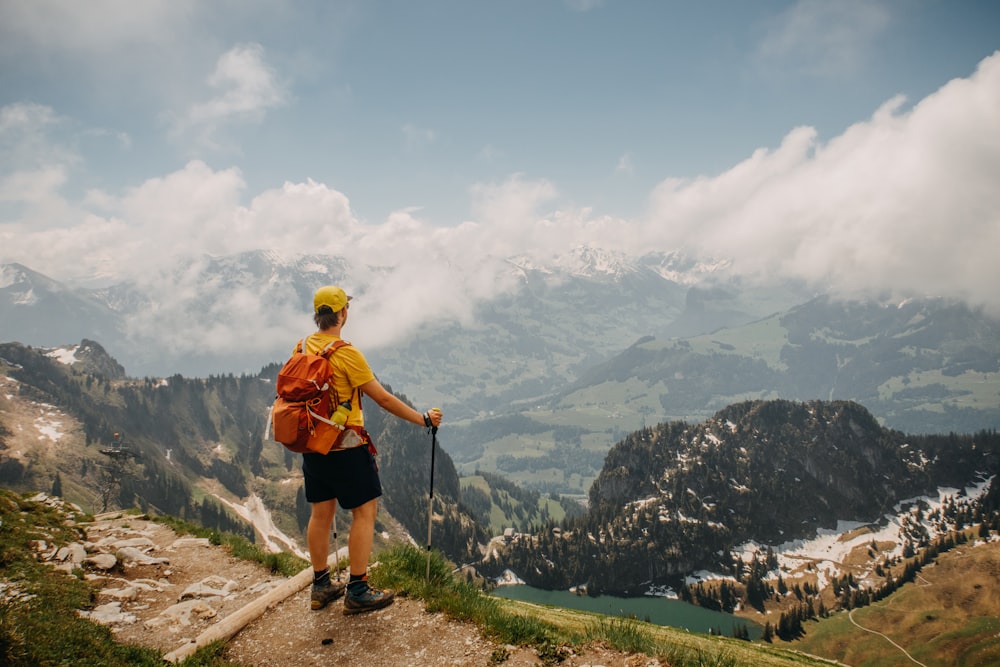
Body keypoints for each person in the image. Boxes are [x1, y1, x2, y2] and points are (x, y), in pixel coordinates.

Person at [299, 285, 443, 615]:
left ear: (317, 314)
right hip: (347, 447)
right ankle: (358, 589)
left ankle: (321, 585)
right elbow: (383, 398)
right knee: (363, 514)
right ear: (342, 314)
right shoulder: (346, 353)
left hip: (313, 445)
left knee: (320, 514)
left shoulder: (301, 347)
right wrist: (423, 420)